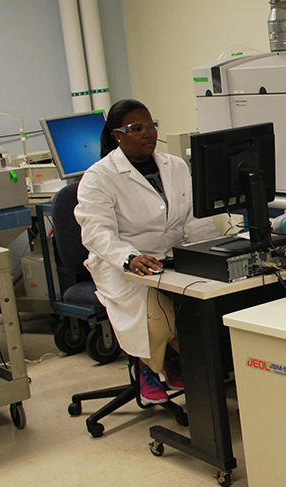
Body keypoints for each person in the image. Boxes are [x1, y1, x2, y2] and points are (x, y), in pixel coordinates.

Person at [75, 99, 220, 404]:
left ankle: (173, 359)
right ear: (117, 135)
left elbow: (195, 217)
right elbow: (96, 233)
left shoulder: (175, 165)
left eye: (151, 125)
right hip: (126, 266)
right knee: (159, 317)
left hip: (172, 258)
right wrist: (128, 258)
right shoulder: (99, 177)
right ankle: (146, 369)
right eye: (136, 128)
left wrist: (212, 251)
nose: (147, 133)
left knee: (201, 306)